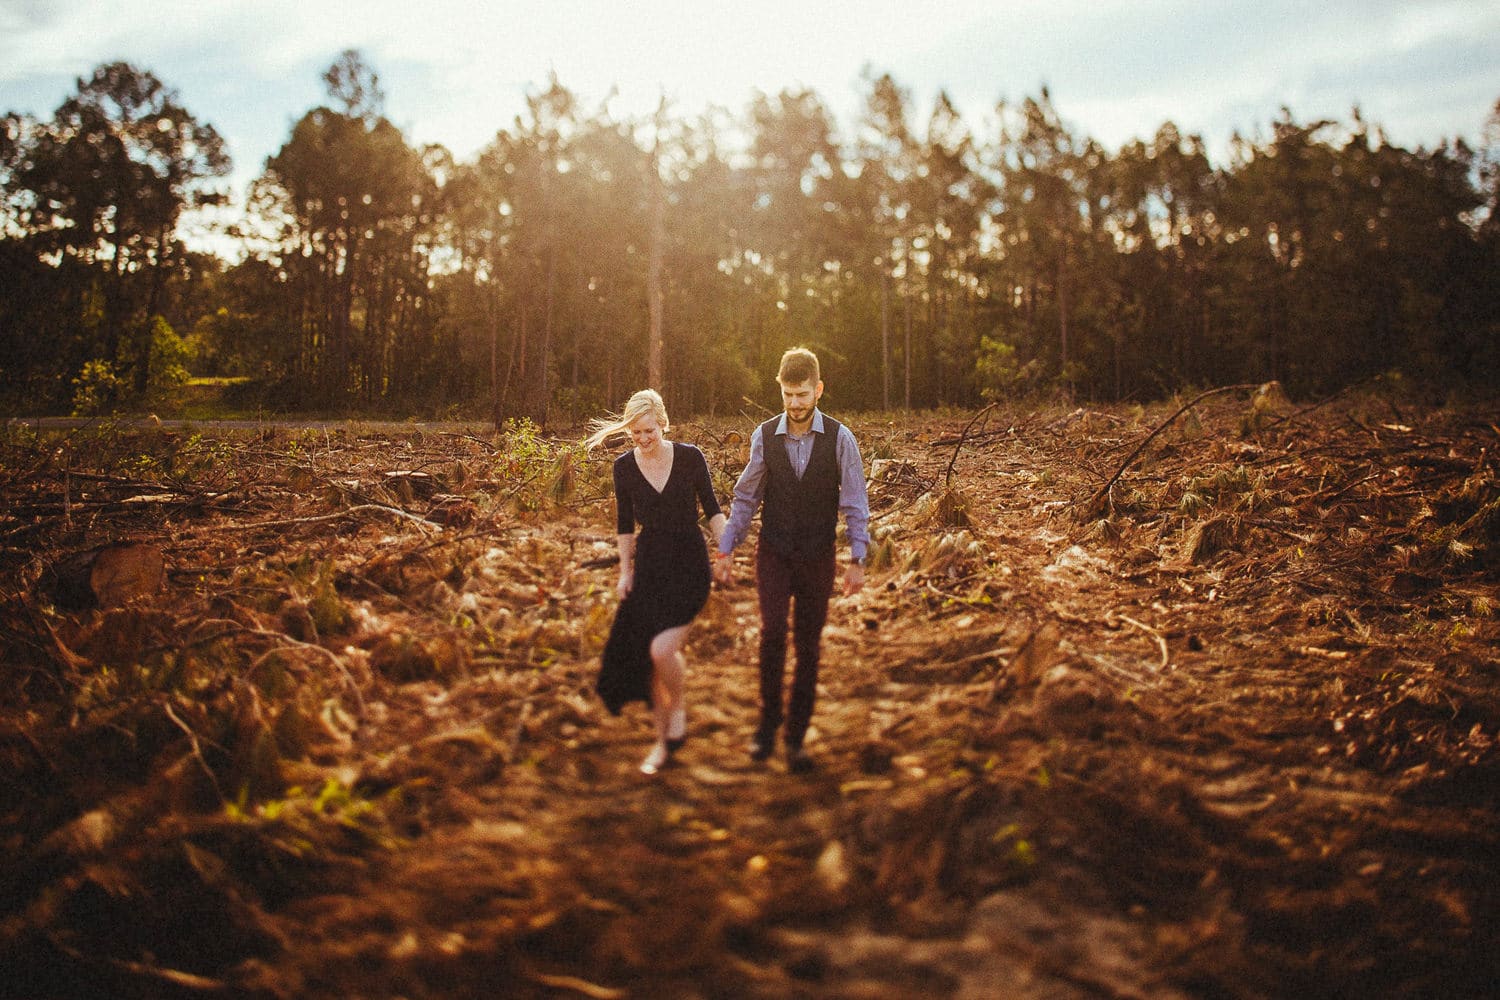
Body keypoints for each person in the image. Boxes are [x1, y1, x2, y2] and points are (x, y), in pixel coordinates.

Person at [713, 347, 869, 772]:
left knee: (809, 646)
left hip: (818, 555)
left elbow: (855, 501)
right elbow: (746, 497)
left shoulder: (841, 438)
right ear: (779, 390)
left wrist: (858, 557)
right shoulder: (764, 436)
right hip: (775, 552)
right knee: (772, 634)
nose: (795, 404)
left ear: (818, 390)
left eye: (802, 395)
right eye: (788, 395)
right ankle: (766, 727)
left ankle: (795, 738)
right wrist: (727, 547)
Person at [587, 389, 726, 775]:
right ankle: (662, 741)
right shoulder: (623, 468)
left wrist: (727, 546)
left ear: (663, 424)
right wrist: (625, 572)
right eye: (636, 434)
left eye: (650, 431)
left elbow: (712, 510)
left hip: (688, 565)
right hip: (649, 566)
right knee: (647, 660)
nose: (644, 440)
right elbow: (624, 526)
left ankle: (677, 707)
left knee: (662, 650)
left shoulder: (690, 458)